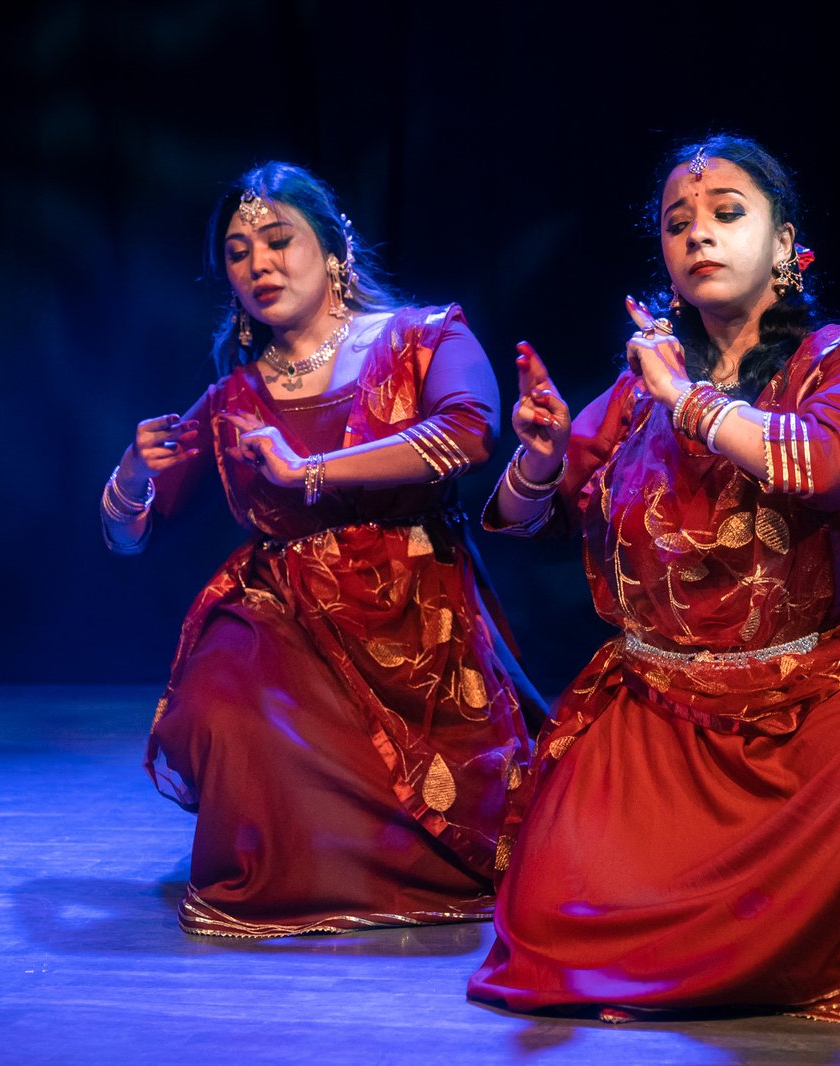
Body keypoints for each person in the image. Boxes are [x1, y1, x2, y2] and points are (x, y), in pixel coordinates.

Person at [466, 134, 840, 1022]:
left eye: (727, 214)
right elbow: (524, 518)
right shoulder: (642, 386)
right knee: (550, 916)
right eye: (677, 223)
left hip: (804, 703)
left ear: (786, 245)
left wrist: (688, 401)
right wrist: (539, 457)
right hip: (655, 712)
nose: (698, 234)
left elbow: (825, 463)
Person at [100, 160, 536, 938]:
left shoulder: (423, 336)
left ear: (335, 252)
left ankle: (373, 863)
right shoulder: (233, 398)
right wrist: (132, 474)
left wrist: (310, 471)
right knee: (220, 707)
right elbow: (131, 539)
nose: (258, 265)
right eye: (238, 253)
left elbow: (469, 434)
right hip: (283, 614)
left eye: (278, 241)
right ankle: (289, 874)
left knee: (488, 803)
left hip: (415, 614)